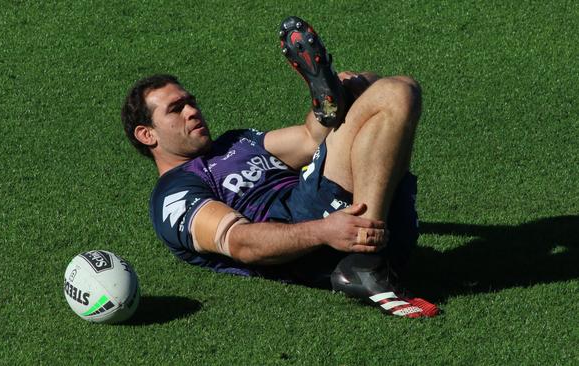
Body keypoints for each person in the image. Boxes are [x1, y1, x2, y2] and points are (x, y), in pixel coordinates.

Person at [121, 16, 439, 318]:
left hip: (351, 219)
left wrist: (338, 94)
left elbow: (309, 139)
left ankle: (367, 255)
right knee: (395, 94)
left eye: (191, 101)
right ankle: (366, 261)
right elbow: (239, 241)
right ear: (146, 134)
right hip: (307, 229)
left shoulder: (235, 141)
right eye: (177, 109)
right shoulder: (174, 193)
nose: (193, 111)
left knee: (372, 84)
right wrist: (324, 231)